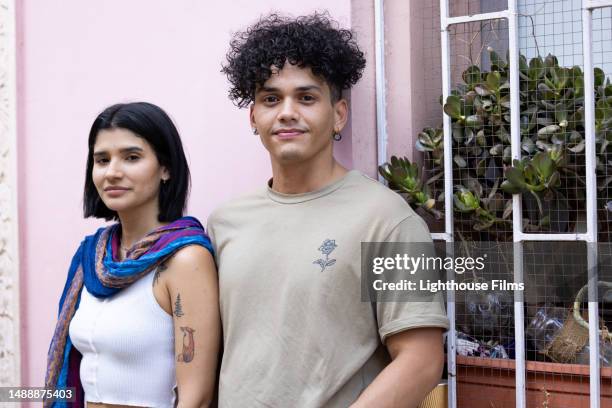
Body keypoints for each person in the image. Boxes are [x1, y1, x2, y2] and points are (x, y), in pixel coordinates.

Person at [207, 12, 450, 408]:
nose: (286, 112)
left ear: (338, 114)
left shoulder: (389, 220)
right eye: (270, 99)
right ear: (254, 117)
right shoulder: (224, 222)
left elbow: (421, 360)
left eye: (306, 97)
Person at [45, 102, 220, 408]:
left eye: (131, 157)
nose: (112, 172)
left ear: (165, 168)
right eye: (102, 160)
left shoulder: (184, 259)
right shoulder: (93, 257)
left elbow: (198, 397)